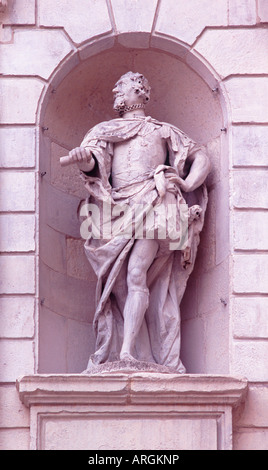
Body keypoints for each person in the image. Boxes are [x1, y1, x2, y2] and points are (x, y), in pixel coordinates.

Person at [65, 72, 210, 373]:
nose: (115, 88)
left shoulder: (162, 130)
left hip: (153, 203)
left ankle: (129, 352)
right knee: (118, 285)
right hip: (114, 210)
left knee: (135, 273)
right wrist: (84, 160)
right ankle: (134, 348)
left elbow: (202, 158)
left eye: (123, 85)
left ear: (140, 91)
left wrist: (185, 184)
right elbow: (96, 164)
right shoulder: (105, 131)